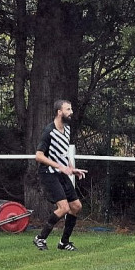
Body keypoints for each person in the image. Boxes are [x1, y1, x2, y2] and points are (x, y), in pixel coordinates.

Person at [33, 99, 88, 251]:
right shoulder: (49, 132)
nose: (71, 112)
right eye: (68, 109)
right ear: (59, 112)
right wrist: (59, 167)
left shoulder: (67, 129)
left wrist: (71, 168)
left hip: (61, 173)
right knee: (63, 207)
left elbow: (63, 152)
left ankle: (64, 243)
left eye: (71, 109)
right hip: (49, 173)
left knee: (76, 206)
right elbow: (38, 156)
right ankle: (40, 238)